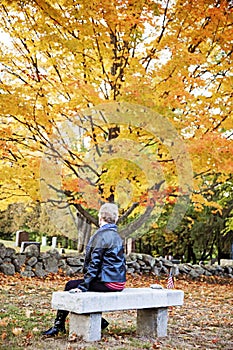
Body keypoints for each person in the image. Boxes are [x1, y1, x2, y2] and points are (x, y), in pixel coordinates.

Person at [42, 202, 126, 336]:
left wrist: (83, 286)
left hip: (108, 282)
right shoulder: (116, 235)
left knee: (70, 285)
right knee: (75, 285)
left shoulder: (101, 236)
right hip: (118, 282)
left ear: (100, 218)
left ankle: (59, 326)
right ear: (115, 219)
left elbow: (94, 265)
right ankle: (100, 322)